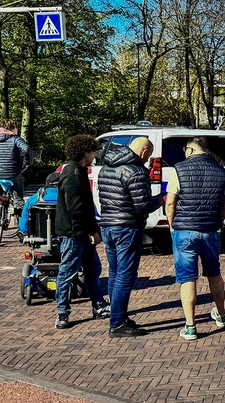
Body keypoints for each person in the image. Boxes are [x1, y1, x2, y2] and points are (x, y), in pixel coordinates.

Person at [165, 137, 225, 341]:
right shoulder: (220, 170)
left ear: (192, 150)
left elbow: (170, 202)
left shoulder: (179, 169)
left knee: (187, 278)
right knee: (214, 274)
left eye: (186, 149)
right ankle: (221, 315)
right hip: (210, 230)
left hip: (184, 231)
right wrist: (218, 220)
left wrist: (171, 225)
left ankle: (191, 326)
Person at [98, 137, 161, 338]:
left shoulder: (107, 166)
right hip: (127, 227)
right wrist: (162, 199)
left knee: (115, 273)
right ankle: (117, 323)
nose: (146, 159)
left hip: (108, 225)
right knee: (125, 276)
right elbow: (142, 205)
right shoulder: (135, 171)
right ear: (143, 152)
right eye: (147, 155)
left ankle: (117, 316)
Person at [53, 135, 110, 329]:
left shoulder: (76, 170)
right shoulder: (73, 174)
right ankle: (62, 312)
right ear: (85, 153)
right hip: (74, 233)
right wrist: (91, 231)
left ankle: (98, 304)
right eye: (92, 151)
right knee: (68, 271)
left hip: (78, 231)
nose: (94, 155)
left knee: (92, 269)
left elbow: (83, 207)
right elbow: (76, 208)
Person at [0, 118, 30, 235]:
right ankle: (22, 226)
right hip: (13, 173)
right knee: (18, 199)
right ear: (12, 129)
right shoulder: (16, 139)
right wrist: (26, 163)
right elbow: (26, 149)